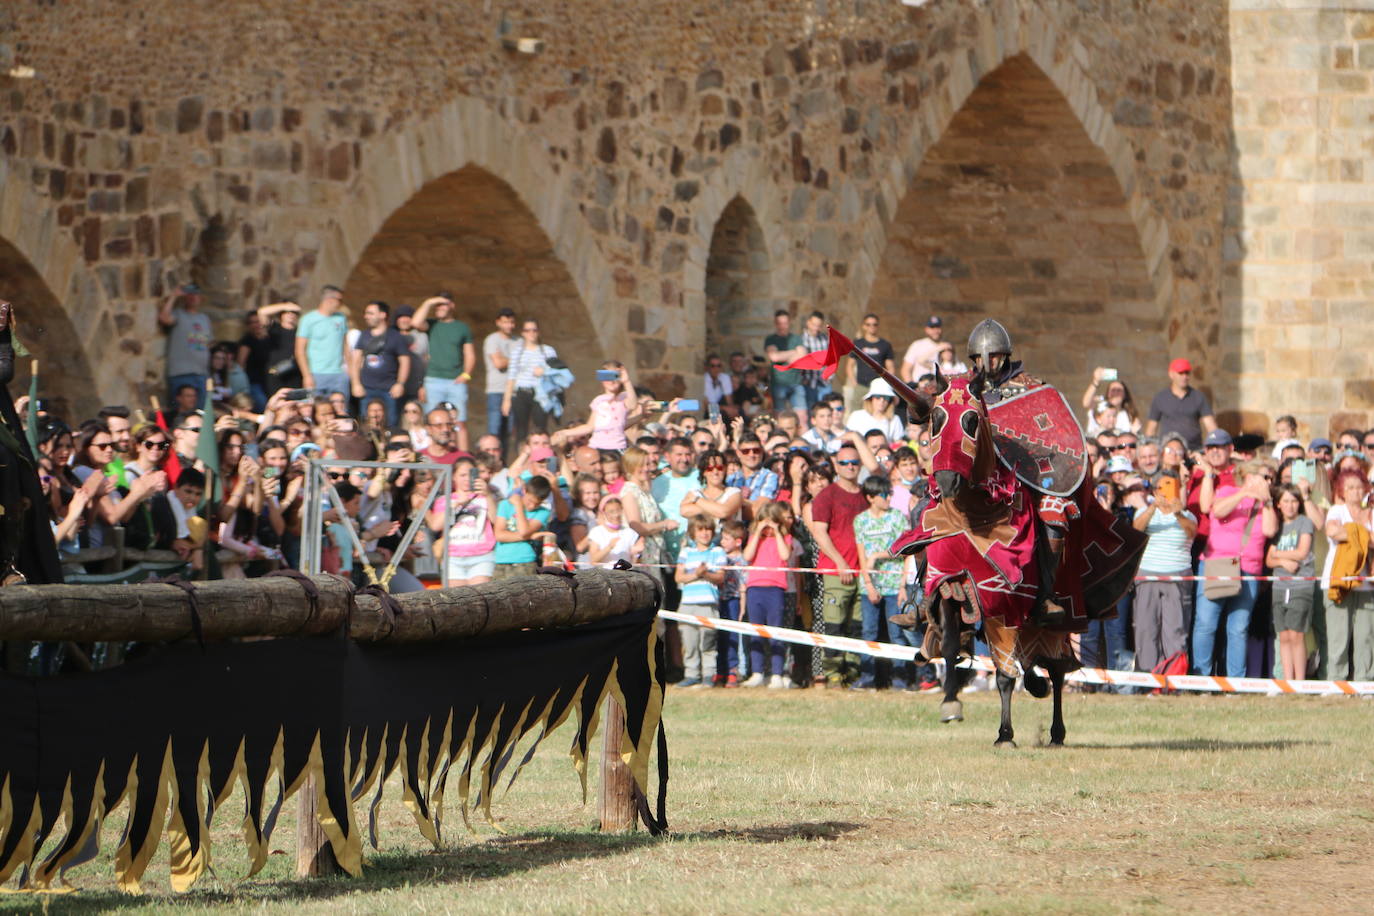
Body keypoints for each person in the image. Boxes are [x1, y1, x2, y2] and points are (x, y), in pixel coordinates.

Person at [1193, 459, 1278, 677]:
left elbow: (1269, 530)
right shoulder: (1227, 491)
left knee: (1238, 628)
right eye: (1264, 477)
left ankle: (1236, 680)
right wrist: (1244, 494)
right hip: (1218, 564)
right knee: (1206, 624)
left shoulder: (1266, 503)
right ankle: (1201, 677)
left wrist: (1266, 502)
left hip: (1249, 568)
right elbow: (1218, 511)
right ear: (1249, 477)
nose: (1268, 481)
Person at [810, 443, 868, 686]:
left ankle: (852, 676)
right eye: (844, 462)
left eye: (854, 462)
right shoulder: (827, 495)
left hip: (862, 572)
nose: (850, 467)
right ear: (836, 465)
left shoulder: (867, 494)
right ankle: (833, 676)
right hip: (836, 570)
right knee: (834, 626)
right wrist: (840, 562)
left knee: (857, 626)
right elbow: (819, 533)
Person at [1130, 469, 1197, 674]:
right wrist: (1153, 508)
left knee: (1175, 630)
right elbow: (1136, 530)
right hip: (1148, 575)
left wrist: (1177, 512)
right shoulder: (1144, 511)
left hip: (1177, 576)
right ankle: (1148, 678)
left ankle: (1173, 678)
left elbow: (1192, 532)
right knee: (1145, 628)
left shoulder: (1187, 514)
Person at [854, 475, 907, 689]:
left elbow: (905, 550)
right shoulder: (860, 520)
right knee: (868, 632)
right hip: (870, 586)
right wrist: (868, 584)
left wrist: (877, 556)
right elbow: (860, 555)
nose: (888, 499)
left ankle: (900, 679)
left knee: (897, 633)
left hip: (894, 583)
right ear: (870, 497)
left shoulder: (897, 518)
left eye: (890, 494)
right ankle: (867, 678)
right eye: (884, 495)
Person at [1320, 471, 1374, 681]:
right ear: (1342, 491)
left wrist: (1352, 533)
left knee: (1366, 636)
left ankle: (1365, 680)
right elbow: (1333, 531)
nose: (1355, 491)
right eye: (1350, 487)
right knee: (1337, 635)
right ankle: (1336, 679)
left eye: (1359, 486)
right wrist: (1362, 534)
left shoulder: (1371, 513)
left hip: (1366, 583)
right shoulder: (1337, 510)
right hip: (1338, 580)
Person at [741, 500, 795, 688]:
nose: (768, 529)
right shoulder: (755, 537)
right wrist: (758, 532)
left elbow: (785, 555)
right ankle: (757, 672)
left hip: (776, 589)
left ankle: (777, 674)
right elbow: (747, 556)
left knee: (775, 632)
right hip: (755, 588)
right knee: (755, 631)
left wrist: (777, 532)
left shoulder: (785, 538)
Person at [1267, 483, 1316, 681]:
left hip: (1300, 585)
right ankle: (1287, 680)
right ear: (1278, 504)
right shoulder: (1276, 526)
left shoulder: (1304, 522)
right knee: (1284, 635)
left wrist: (1278, 554)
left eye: (1294, 501)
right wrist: (1282, 561)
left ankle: (1300, 680)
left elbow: (1302, 552)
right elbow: (1268, 560)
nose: (1290, 505)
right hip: (1279, 586)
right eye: (1286, 501)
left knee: (1297, 634)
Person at [412, 294, 475, 437]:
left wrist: (466, 374)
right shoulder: (432, 325)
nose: (439, 308)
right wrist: (429, 301)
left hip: (456, 380)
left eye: (443, 305)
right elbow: (415, 322)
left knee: (459, 422)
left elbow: (469, 354)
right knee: (432, 421)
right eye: (437, 305)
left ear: (452, 306)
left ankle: (462, 456)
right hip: (433, 379)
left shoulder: (462, 327)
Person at [675, 515, 727, 688]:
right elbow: (679, 577)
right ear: (693, 532)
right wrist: (696, 574)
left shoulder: (717, 552)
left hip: (708, 604)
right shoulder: (686, 552)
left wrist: (706, 574)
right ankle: (691, 674)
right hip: (687, 604)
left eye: (708, 529)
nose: (705, 533)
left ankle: (708, 676)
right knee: (689, 642)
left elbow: (720, 577)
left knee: (708, 641)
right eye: (700, 529)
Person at [429, 457, 498, 586]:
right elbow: (435, 525)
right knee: (457, 601)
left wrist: (488, 495)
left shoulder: (485, 497)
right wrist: (455, 505)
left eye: (470, 474)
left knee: (480, 598)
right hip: (452, 558)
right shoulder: (445, 500)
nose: (466, 479)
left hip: (482, 556)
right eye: (462, 475)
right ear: (453, 476)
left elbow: (495, 520)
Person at [349, 301, 410, 427]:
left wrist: (400, 383)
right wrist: (356, 383)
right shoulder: (364, 335)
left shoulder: (395, 337)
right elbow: (356, 360)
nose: (366, 316)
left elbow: (405, 361)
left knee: (391, 422)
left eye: (370, 313)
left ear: (382, 315)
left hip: (389, 389)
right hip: (367, 389)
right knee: (367, 424)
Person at [502, 318, 558, 447]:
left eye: (534, 330)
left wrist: (544, 371)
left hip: (541, 393)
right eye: (527, 330)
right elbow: (511, 376)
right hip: (522, 392)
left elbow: (557, 373)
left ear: (538, 332)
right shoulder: (517, 352)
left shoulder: (548, 351)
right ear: (523, 333)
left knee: (540, 428)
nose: (531, 333)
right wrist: (507, 399)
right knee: (521, 430)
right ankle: (522, 459)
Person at [559, 361, 637, 452]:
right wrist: (565, 432)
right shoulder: (598, 401)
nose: (611, 381)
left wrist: (626, 381)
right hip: (597, 446)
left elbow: (633, 404)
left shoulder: (623, 397)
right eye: (607, 376)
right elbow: (590, 426)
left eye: (615, 376)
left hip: (617, 446)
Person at [1144, 358, 1217, 450]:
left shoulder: (1198, 396)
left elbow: (1211, 427)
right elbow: (1151, 430)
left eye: (1187, 373)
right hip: (1168, 452)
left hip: (1194, 450)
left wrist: (1216, 446)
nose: (1184, 377)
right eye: (1181, 373)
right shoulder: (1160, 398)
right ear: (1171, 374)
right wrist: (1149, 450)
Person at [158, 284, 212, 405]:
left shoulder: (204, 319)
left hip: (201, 374)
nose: (193, 298)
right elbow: (164, 318)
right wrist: (173, 297)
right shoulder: (179, 314)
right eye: (190, 295)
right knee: (181, 412)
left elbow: (208, 343)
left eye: (196, 295)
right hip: (181, 373)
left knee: (201, 413)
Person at [492, 474, 553, 579]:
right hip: (501, 560)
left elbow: (524, 531)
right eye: (530, 501)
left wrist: (518, 505)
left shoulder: (543, 512)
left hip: (525, 561)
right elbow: (499, 535)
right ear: (524, 491)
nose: (532, 506)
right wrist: (531, 536)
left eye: (537, 503)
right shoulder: (505, 505)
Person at [295, 285, 350, 397]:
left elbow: (345, 347)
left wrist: (350, 373)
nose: (341, 303)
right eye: (339, 300)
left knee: (341, 410)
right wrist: (307, 375)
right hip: (316, 374)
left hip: (338, 374)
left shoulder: (341, 318)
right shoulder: (308, 320)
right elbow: (300, 350)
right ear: (329, 300)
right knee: (316, 409)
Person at [763, 310, 807, 424]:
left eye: (785, 323)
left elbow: (802, 356)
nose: (783, 326)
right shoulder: (771, 339)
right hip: (779, 384)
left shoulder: (796, 338)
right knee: (779, 418)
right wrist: (794, 352)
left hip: (796, 383)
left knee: (802, 417)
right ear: (775, 324)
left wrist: (782, 355)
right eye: (780, 323)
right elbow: (774, 357)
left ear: (789, 323)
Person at [678, 449, 742, 525]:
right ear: (704, 472)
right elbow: (683, 511)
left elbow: (724, 512)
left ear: (725, 469)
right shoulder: (694, 492)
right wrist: (716, 509)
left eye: (719, 468)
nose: (715, 472)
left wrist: (697, 500)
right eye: (710, 468)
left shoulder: (734, 493)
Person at [481, 308, 517, 442]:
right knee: (494, 430)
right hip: (496, 389)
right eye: (505, 322)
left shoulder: (518, 341)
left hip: (514, 391)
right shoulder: (492, 340)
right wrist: (516, 359)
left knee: (511, 431)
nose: (509, 326)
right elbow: (498, 363)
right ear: (498, 322)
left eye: (511, 322)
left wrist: (505, 359)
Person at [844, 379, 905, 445]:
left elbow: (898, 443)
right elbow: (847, 439)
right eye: (878, 397)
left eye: (886, 397)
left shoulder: (895, 419)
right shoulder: (856, 416)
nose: (882, 401)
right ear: (871, 398)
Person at [798, 310, 831, 410]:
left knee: (827, 410)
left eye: (819, 325)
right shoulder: (801, 340)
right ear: (808, 323)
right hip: (808, 382)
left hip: (824, 382)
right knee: (811, 411)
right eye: (814, 325)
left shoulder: (825, 339)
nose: (816, 328)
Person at [899, 315, 943, 385]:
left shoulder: (946, 346)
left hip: (940, 387)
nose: (935, 330)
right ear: (926, 329)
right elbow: (905, 370)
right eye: (932, 327)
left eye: (937, 327)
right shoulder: (917, 345)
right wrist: (913, 387)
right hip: (921, 387)